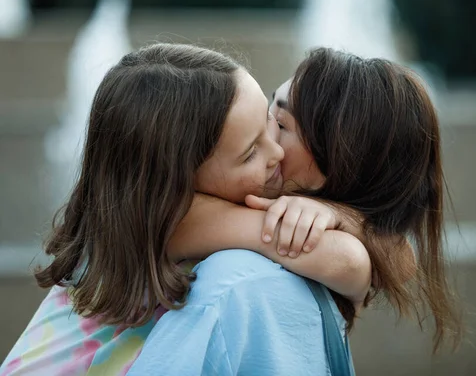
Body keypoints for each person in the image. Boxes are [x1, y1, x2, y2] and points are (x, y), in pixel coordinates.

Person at [0, 43, 371, 376]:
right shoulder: (170, 221)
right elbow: (350, 264)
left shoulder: (133, 208)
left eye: (271, 126)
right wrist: (345, 219)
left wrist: (341, 216)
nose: (277, 153)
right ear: (179, 182)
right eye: (250, 153)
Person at [128, 48, 462, 374]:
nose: (265, 132)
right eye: (269, 110)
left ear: (337, 171)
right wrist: (347, 225)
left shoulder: (245, 278)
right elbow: (366, 260)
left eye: (282, 125)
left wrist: (343, 217)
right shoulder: (181, 212)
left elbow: (399, 259)